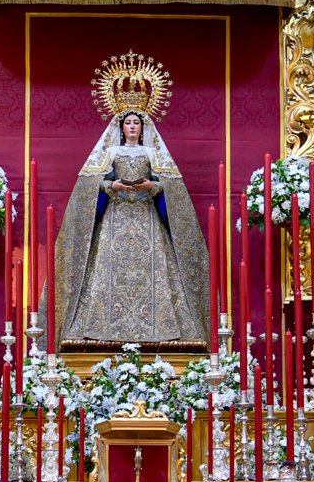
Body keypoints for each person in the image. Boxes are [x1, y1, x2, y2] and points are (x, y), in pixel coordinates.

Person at [53, 110, 208, 349]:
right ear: (121, 128)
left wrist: (153, 186)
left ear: (143, 128)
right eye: (128, 123)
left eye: (136, 123)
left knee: (154, 266)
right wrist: (110, 185)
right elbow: (91, 183)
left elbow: (170, 186)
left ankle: (158, 324)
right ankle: (101, 327)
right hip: (116, 218)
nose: (133, 127)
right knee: (108, 265)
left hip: (146, 218)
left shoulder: (152, 153)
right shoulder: (112, 152)